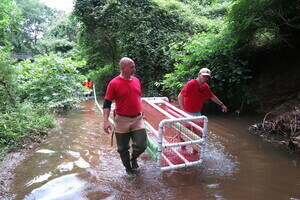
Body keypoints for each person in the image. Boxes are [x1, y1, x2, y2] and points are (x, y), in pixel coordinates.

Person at [102, 57, 147, 175]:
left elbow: (138, 98)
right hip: (122, 120)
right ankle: (128, 168)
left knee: (141, 145)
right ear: (123, 68)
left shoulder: (136, 80)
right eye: (131, 67)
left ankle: (133, 159)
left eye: (134, 66)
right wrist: (105, 121)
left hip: (138, 118)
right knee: (122, 149)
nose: (134, 69)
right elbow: (107, 103)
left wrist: (143, 113)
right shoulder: (114, 83)